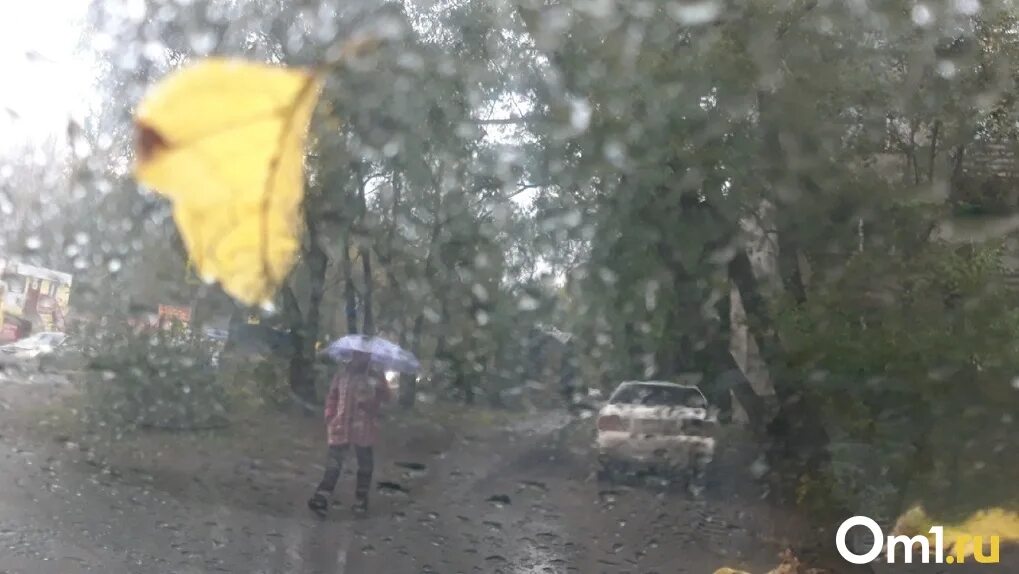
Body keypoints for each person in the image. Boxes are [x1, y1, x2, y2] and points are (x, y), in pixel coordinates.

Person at [308, 349, 392, 516]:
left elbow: (387, 397)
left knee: (365, 466)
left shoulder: (374, 375)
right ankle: (321, 498)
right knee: (333, 464)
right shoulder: (342, 375)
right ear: (352, 356)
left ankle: (361, 500)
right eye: (357, 354)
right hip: (340, 426)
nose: (360, 358)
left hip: (365, 427)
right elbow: (332, 396)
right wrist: (329, 415)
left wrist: (373, 399)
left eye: (364, 355)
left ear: (369, 357)